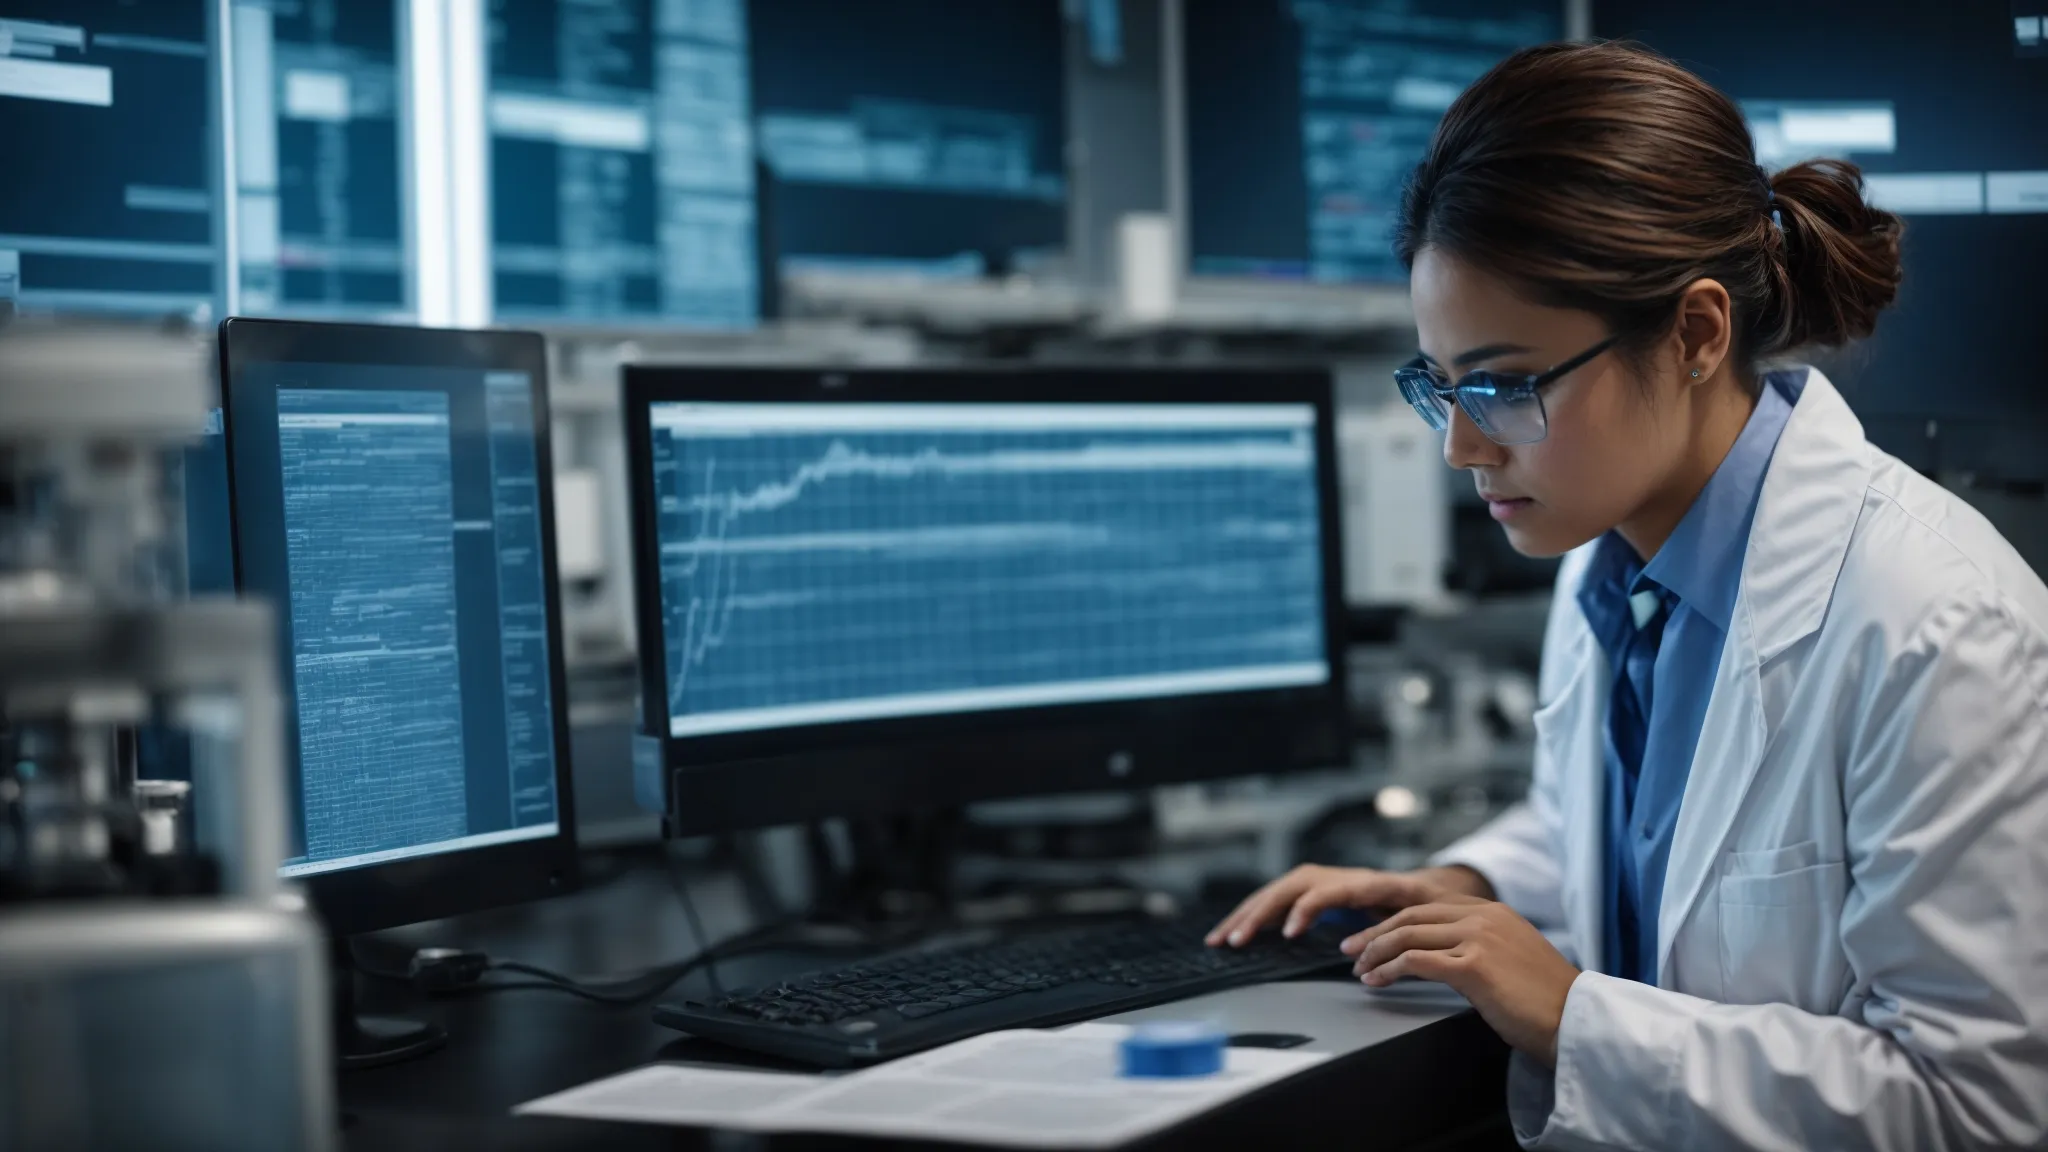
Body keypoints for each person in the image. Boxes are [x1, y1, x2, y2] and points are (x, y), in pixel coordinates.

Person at [1208, 40, 2048, 1150]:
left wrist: (1571, 1017)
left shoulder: (1935, 628)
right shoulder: (1609, 564)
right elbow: (1622, 839)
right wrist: (1459, 885)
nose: (1461, 447)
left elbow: (1976, 1108)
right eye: (1440, 386)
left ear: (1696, 333)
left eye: (1504, 385)